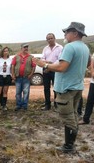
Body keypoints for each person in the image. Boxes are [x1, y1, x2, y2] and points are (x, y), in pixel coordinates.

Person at [33, 22, 90, 153]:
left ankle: (69, 146)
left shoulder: (69, 47)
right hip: (76, 87)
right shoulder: (85, 48)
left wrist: (45, 65)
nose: (64, 34)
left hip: (66, 89)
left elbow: (62, 67)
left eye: (67, 32)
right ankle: (70, 144)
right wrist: (52, 63)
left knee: (68, 117)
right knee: (74, 114)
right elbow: (86, 63)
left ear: (75, 33)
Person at [41, 33, 63, 110]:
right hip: (46, 69)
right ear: (47, 40)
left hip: (55, 70)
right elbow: (42, 59)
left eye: (51, 38)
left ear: (54, 38)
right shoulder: (45, 48)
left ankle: (57, 104)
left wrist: (51, 65)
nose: (50, 40)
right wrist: (48, 63)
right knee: (46, 88)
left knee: (56, 88)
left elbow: (60, 59)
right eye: (48, 39)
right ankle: (47, 104)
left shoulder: (60, 47)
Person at [11, 44, 36, 111]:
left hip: (26, 78)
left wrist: (31, 74)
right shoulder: (16, 57)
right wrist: (13, 74)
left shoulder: (31, 57)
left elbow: (34, 66)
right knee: (18, 92)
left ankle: (25, 105)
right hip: (18, 77)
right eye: (24, 47)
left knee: (26, 92)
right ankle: (18, 105)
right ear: (21, 48)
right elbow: (13, 66)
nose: (26, 48)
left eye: (27, 47)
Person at [0, 47, 12, 111]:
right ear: (2, 52)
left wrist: (12, 75)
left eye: (7, 51)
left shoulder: (10, 60)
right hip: (0, 76)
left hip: (7, 76)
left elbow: (11, 68)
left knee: (5, 91)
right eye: (4, 51)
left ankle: (4, 105)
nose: (6, 52)